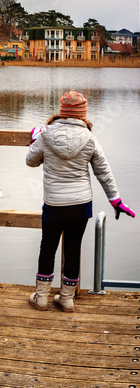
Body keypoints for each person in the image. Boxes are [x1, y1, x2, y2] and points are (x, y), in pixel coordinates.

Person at [26, 90, 133, 312]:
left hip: (54, 203)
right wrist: (115, 200)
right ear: (82, 115)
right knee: (73, 248)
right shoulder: (90, 138)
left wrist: (36, 138)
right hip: (80, 204)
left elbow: (30, 162)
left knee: (48, 247)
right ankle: (66, 299)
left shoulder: (46, 134)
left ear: (61, 112)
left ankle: (42, 298)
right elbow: (103, 172)